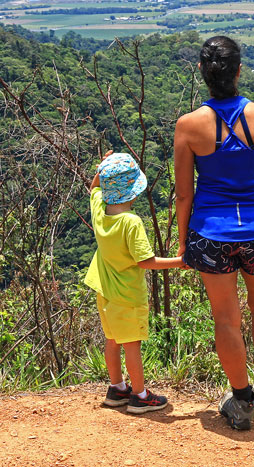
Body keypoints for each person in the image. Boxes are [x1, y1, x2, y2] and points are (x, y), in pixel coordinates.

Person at [173, 35, 254, 431]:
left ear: (203, 73)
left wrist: (185, 241)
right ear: (239, 71)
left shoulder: (189, 126)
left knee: (226, 317)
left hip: (211, 232)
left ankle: (241, 403)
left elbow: (184, 193)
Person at [84, 151, 185, 414]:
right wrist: (180, 261)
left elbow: (94, 187)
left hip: (103, 290)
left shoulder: (100, 212)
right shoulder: (131, 223)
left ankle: (117, 388)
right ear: (134, 191)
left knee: (112, 339)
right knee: (132, 345)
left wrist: (102, 168)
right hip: (127, 295)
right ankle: (140, 395)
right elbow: (145, 261)